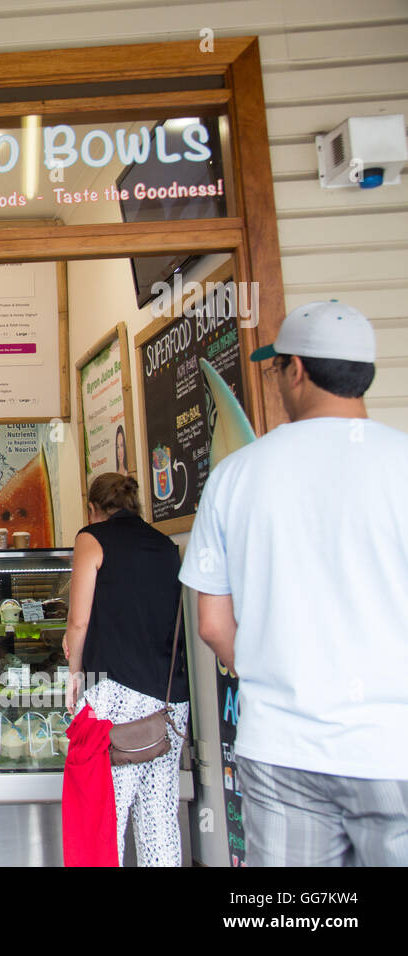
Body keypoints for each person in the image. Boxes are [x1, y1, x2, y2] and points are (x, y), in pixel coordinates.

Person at [179, 300, 408, 866]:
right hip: (393, 746)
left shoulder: (237, 475)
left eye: (277, 366)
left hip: (282, 746)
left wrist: (274, 671)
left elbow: (212, 625)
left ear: (296, 369)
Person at [63, 472, 189, 865]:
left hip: (117, 696)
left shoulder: (91, 538)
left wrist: (74, 676)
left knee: (108, 814)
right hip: (170, 700)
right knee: (159, 816)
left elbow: (78, 622)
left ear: (93, 508)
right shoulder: (166, 545)